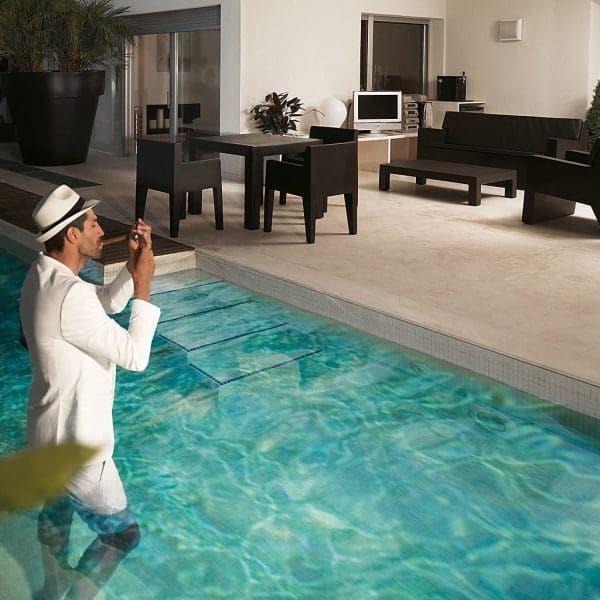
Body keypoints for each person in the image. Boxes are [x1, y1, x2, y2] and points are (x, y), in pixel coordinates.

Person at [19, 184, 161, 599]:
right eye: (94, 224)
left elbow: (98, 306)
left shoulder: (41, 275)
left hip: (45, 434)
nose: (102, 231)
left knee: (58, 508)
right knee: (122, 536)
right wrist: (145, 285)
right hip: (79, 449)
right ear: (72, 236)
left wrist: (129, 269)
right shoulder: (70, 296)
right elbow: (135, 357)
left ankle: (51, 587)